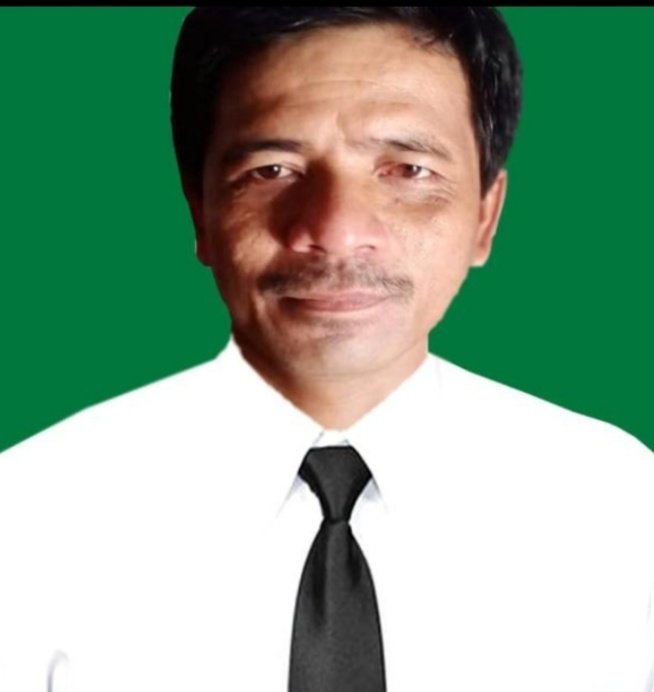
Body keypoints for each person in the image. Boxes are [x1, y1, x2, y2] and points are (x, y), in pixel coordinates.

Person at [0, 7, 652, 692]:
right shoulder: (29, 514)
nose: (336, 231)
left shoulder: (622, 509)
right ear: (200, 212)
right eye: (272, 169)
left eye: (407, 169)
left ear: (486, 216)